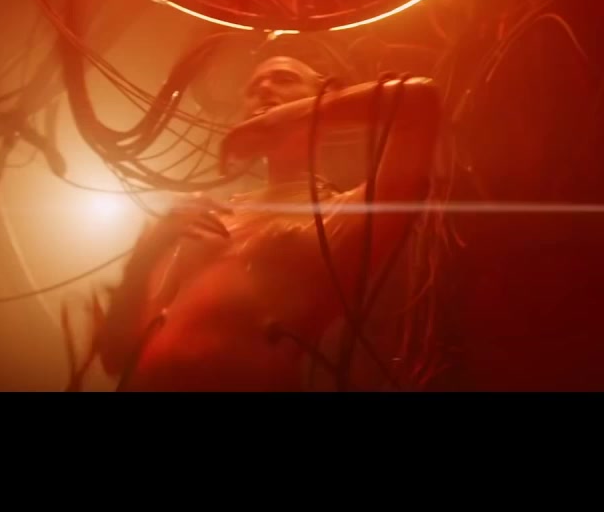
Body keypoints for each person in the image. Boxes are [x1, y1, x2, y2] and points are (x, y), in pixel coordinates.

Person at [89, 55, 442, 391]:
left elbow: (420, 102)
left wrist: (297, 115)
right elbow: (115, 355)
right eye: (253, 86)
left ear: (327, 95)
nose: (264, 88)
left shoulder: (342, 216)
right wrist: (150, 248)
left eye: (284, 79)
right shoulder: (205, 215)